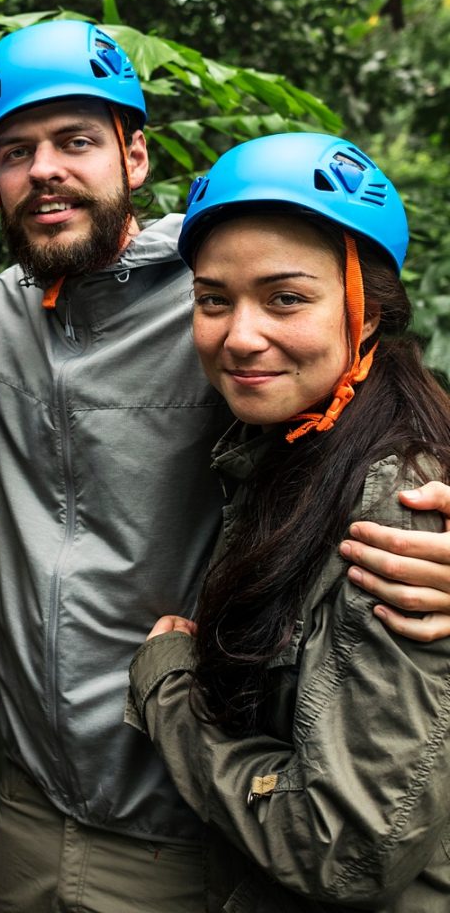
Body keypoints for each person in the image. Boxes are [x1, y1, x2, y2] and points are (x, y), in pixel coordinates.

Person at [0, 19, 450, 912]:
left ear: (134, 157)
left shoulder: (222, 273)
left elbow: (395, 422)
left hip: (190, 828)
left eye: (76, 141)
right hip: (29, 812)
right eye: (14, 152)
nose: (45, 172)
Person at [127, 132, 450, 910]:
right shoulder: (284, 449)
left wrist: (168, 685)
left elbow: (342, 851)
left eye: (286, 298)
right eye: (213, 300)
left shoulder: (397, 503)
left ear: (368, 312)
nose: (240, 336)